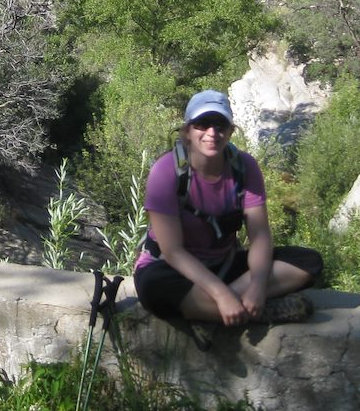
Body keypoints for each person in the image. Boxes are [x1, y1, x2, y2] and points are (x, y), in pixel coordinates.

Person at [134, 90, 322, 327]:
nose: (212, 133)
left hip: (223, 264)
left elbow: (260, 236)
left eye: (220, 124)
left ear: (231, 131)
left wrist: (257, 284)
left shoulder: (244, 167)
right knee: (155, 286)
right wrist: (220, 294)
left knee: (308, 261)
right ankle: (254, 312)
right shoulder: (165, 171)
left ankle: (221, 309)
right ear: (187, 131)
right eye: (202, 124)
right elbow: (173, 252)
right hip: (173, 268)